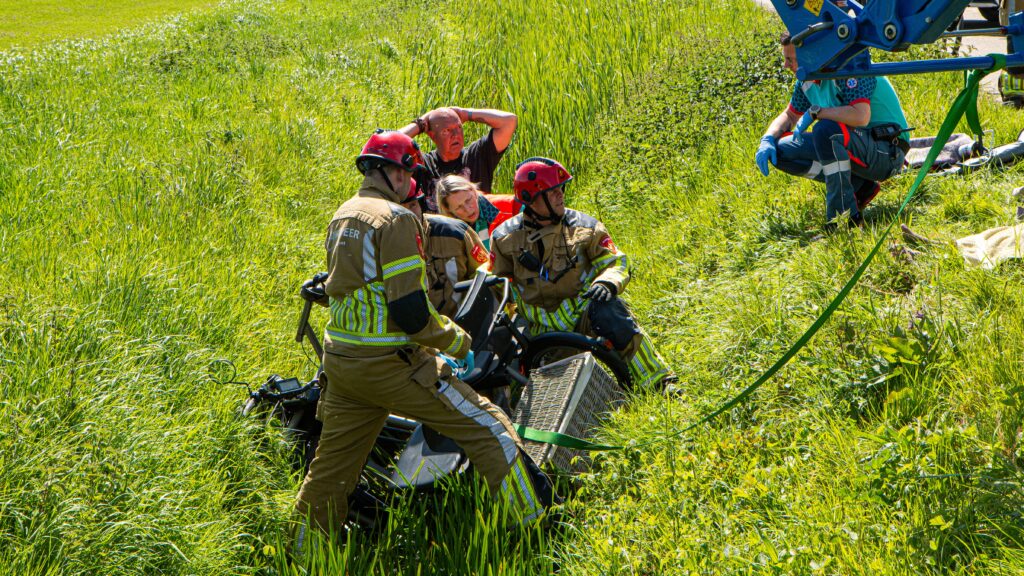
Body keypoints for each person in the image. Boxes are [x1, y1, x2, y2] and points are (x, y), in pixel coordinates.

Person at [294, 130, 552, 543]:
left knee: (331, 471)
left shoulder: (344, 213)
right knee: (490, 430)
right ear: (395, 172)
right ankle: (537, 528)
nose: (410, 184)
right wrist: (459, 344)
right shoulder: (395, 220)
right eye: (409, 172)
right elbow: (410, 309)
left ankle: (303, 553)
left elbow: (348, 289)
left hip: (342, 365)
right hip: (391, 365)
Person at [489, 157, 674, 389]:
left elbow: (615, 261)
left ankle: (660, 381)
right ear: (531, 199)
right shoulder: (503, 239)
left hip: (582, 314)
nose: (561, 195)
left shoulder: (585, 226)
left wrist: (608, 283)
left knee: (613, 313)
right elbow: (498, 287)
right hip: (541, 333)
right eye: (553, 191)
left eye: (561, 189)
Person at [755, 34, 910, 232]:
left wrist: (818, 113)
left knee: (826, 130)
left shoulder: (848, 67)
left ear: (811, 56)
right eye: (785, 59)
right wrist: (767, 138)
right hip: (860, 145)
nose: (786, 65)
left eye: (791, 59)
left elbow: (861, 116)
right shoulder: (807, 80)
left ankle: (843, 220)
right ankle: (859, 187)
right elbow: (790, 115)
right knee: (781, 151)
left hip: (887, 151)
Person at [400, 177, 491, 317]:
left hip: (464, 322)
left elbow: (487, 275)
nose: (409, 214)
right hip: (419, 330)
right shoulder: (386, 243)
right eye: (400, 208)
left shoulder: (455, 232)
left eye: (412, 205)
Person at [400, 106, 517, 212]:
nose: (456, 134)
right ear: (432, 136)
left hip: (477, 233)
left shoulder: (477, 155)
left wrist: (466, 114)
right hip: (438, 234)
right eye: (447, 131)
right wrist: (419, 124)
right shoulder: (423, 165)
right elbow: (385, 144)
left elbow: (509, 121)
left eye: (459, 127)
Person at [435, 174, 518, 250]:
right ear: (449, 211)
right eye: (459, 207)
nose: (468, 209)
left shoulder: (511, 205)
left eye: (468, 200)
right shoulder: (450, 232)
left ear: (474, 192)